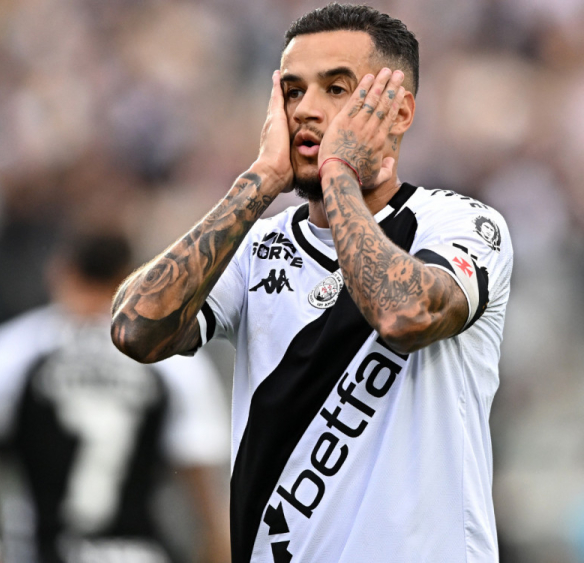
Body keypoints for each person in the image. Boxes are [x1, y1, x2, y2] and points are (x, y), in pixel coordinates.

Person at [110, 4, 513, 563]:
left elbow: (405, 314)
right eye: (293, 91)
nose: (305, 110)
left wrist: (338, 172)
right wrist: (259, 180)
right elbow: (135, 331)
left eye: (336, 89)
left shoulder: (459, 224)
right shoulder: (256, 246)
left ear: (399, 111)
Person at [0, 231, 231, 563]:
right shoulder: (172, 360)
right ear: (135, 278)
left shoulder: (7, 352)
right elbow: (207, 498)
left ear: (60, 271)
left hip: (37, 552)